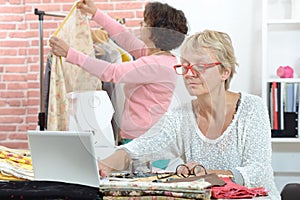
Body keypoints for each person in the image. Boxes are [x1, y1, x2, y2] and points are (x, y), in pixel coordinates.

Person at [96, 30, 281, 199]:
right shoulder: (180, 117)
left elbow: (258, 171)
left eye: (200, 67)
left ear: (225, 71)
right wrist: (102, 165)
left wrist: (207, 175)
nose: (189, 74)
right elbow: (137, 150)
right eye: (185, 66)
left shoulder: (251, 108)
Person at [49, 0, 188, 150]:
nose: (141, 25)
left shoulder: (156, 64)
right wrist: (95, 12)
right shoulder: (157, 56)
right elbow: (125, 37)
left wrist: (70, 53)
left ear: (155, 34)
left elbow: (111, 72)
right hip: (142, 137)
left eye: (145, 23)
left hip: (146, 141)